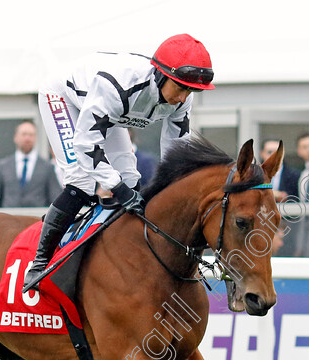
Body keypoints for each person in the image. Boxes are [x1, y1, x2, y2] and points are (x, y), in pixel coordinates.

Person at [23, 33, 215, 291]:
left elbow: (177, 153)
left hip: (110, 112)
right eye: (181, 88)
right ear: (161, 75)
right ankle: (39, 262)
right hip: (65, 98)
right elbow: (85, 145)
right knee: (82, 181)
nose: (184, 97)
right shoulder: (118, 86)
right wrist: (118, 188)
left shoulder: (182, 98)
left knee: (131, 179)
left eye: (191, 90)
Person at [0, 120, 61, 209]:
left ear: (35, 138)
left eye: (31, 135)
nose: (27, 138)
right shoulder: (3, 166)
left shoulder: (47, 167)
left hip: (36, 219)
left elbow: (55, 198)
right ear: (15, 137)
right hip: (8, 219)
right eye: (24, 134)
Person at [259, 139, 300, 257]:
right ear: (262, 153)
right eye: (270, 152)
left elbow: (301, 203)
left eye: (277, 153)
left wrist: (287, 199)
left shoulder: (295, 176)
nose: (273, 156)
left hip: (286, 230)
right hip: (259, 229)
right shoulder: (253, 175)